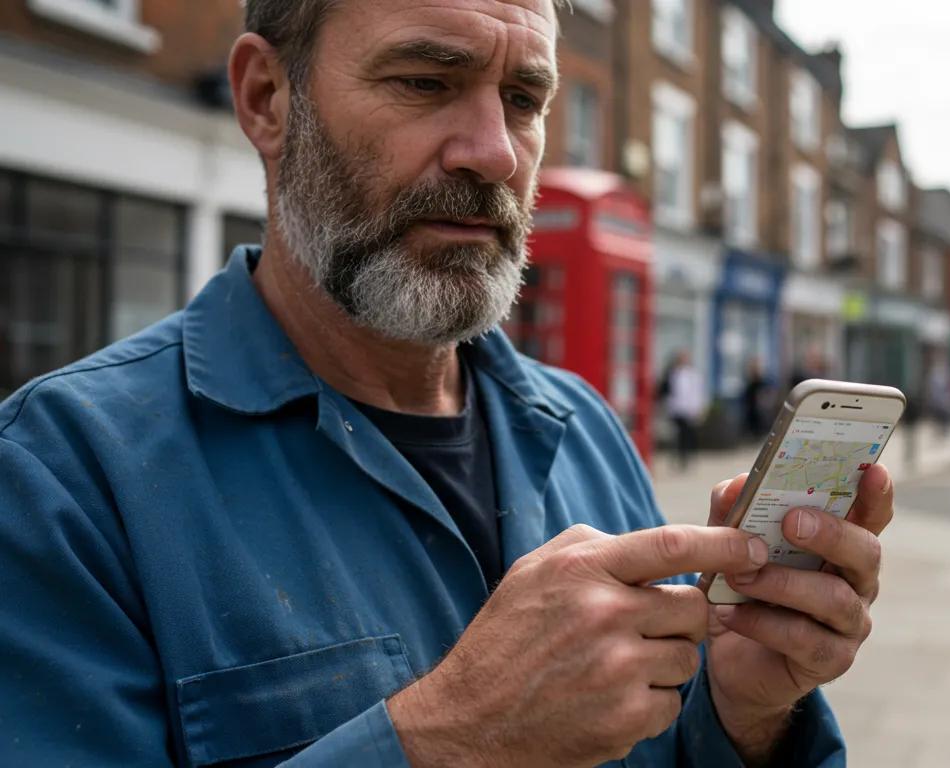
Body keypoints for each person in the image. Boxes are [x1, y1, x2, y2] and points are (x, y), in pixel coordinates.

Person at [0, 2, 894, 766]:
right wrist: (451, 739)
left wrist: (743, 716)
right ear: (267, 99)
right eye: (425, 82)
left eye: (524, 98)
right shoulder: (61, 478)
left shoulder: (582, 426)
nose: (495, 154)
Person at [659, 349, 707, 471]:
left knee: (688, 435)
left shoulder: (693, 374)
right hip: (676, 409)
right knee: (678, 435)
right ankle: (679, 457)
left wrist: (698, 409)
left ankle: (687, 458)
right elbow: (663, 391)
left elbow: (697, 393)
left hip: (689, 409)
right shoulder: (671, 374)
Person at [742, 356, 773, 439]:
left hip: (761, 417)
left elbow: (766, 399)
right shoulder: (749, 384)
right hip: (751, 416)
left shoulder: (764, 383)